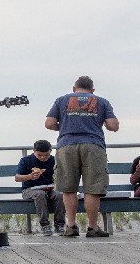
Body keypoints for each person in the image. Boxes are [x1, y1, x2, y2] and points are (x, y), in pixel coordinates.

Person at [45, 76, 119, 238]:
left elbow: (49, 123)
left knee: (68, 188)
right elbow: (113, 126)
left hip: (66, 145)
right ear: (92, 90)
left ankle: (71, 226)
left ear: (74, 89)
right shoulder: (102, 101)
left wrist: (65, 126)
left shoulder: (62, 100)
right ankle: (92, 227)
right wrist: (100, 123)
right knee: (92, 189)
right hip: (94, 146)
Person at [15, 140, 66, 235]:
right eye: (39, 155)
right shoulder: (26, 160)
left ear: (50, 151)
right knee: (40, 194)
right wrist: (29, 176)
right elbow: (17, 178)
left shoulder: (54, 160)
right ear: (34, 151)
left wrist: (53, 185)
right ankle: (45, 225)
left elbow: (61, 176)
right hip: (29, 189)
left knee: (59, 195)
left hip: (50, 189)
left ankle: (59, 225)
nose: (43, 157)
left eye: (46, 155)